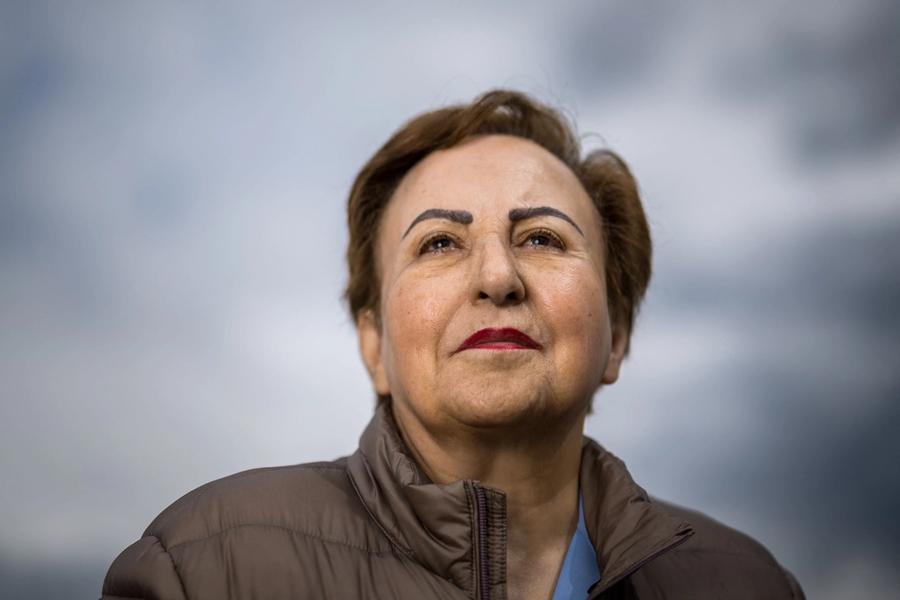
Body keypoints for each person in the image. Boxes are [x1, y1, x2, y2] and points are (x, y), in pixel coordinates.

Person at [101, 89, 805, 599]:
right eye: (439, 242)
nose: (497, 277)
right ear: (373, 343)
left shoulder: (749, 584)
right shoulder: (202, 570)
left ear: (616, 336)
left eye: (542, 238)